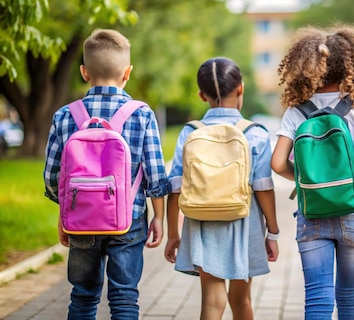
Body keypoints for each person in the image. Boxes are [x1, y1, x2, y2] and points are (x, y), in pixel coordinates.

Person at [270, 24, 354, 319]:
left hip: (313, 212)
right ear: (351, 65)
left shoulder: (296, 112)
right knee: (350, 297)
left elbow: (278, 163)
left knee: (317, 298)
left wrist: (307, 180)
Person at [43, 28, 170, 319]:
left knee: (83, 297)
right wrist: (159, 217)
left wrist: (65, 213)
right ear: (127, 72)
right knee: (125, 298)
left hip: (81, 218)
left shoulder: (65, 115)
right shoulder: (141, 113)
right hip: (128, 220)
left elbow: (52, 176)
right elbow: (155, 175)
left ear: (84, 72)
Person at [164, 57, 279, 320]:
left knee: (212, 302)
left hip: (202, 221)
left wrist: (173, 233)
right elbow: (263, 187)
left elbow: (175, 187)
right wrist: (272, 232)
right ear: (241, 88)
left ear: (201, 95)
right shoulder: (255, 133)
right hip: (244, 221)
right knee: (242, 300)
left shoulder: (190, 132)